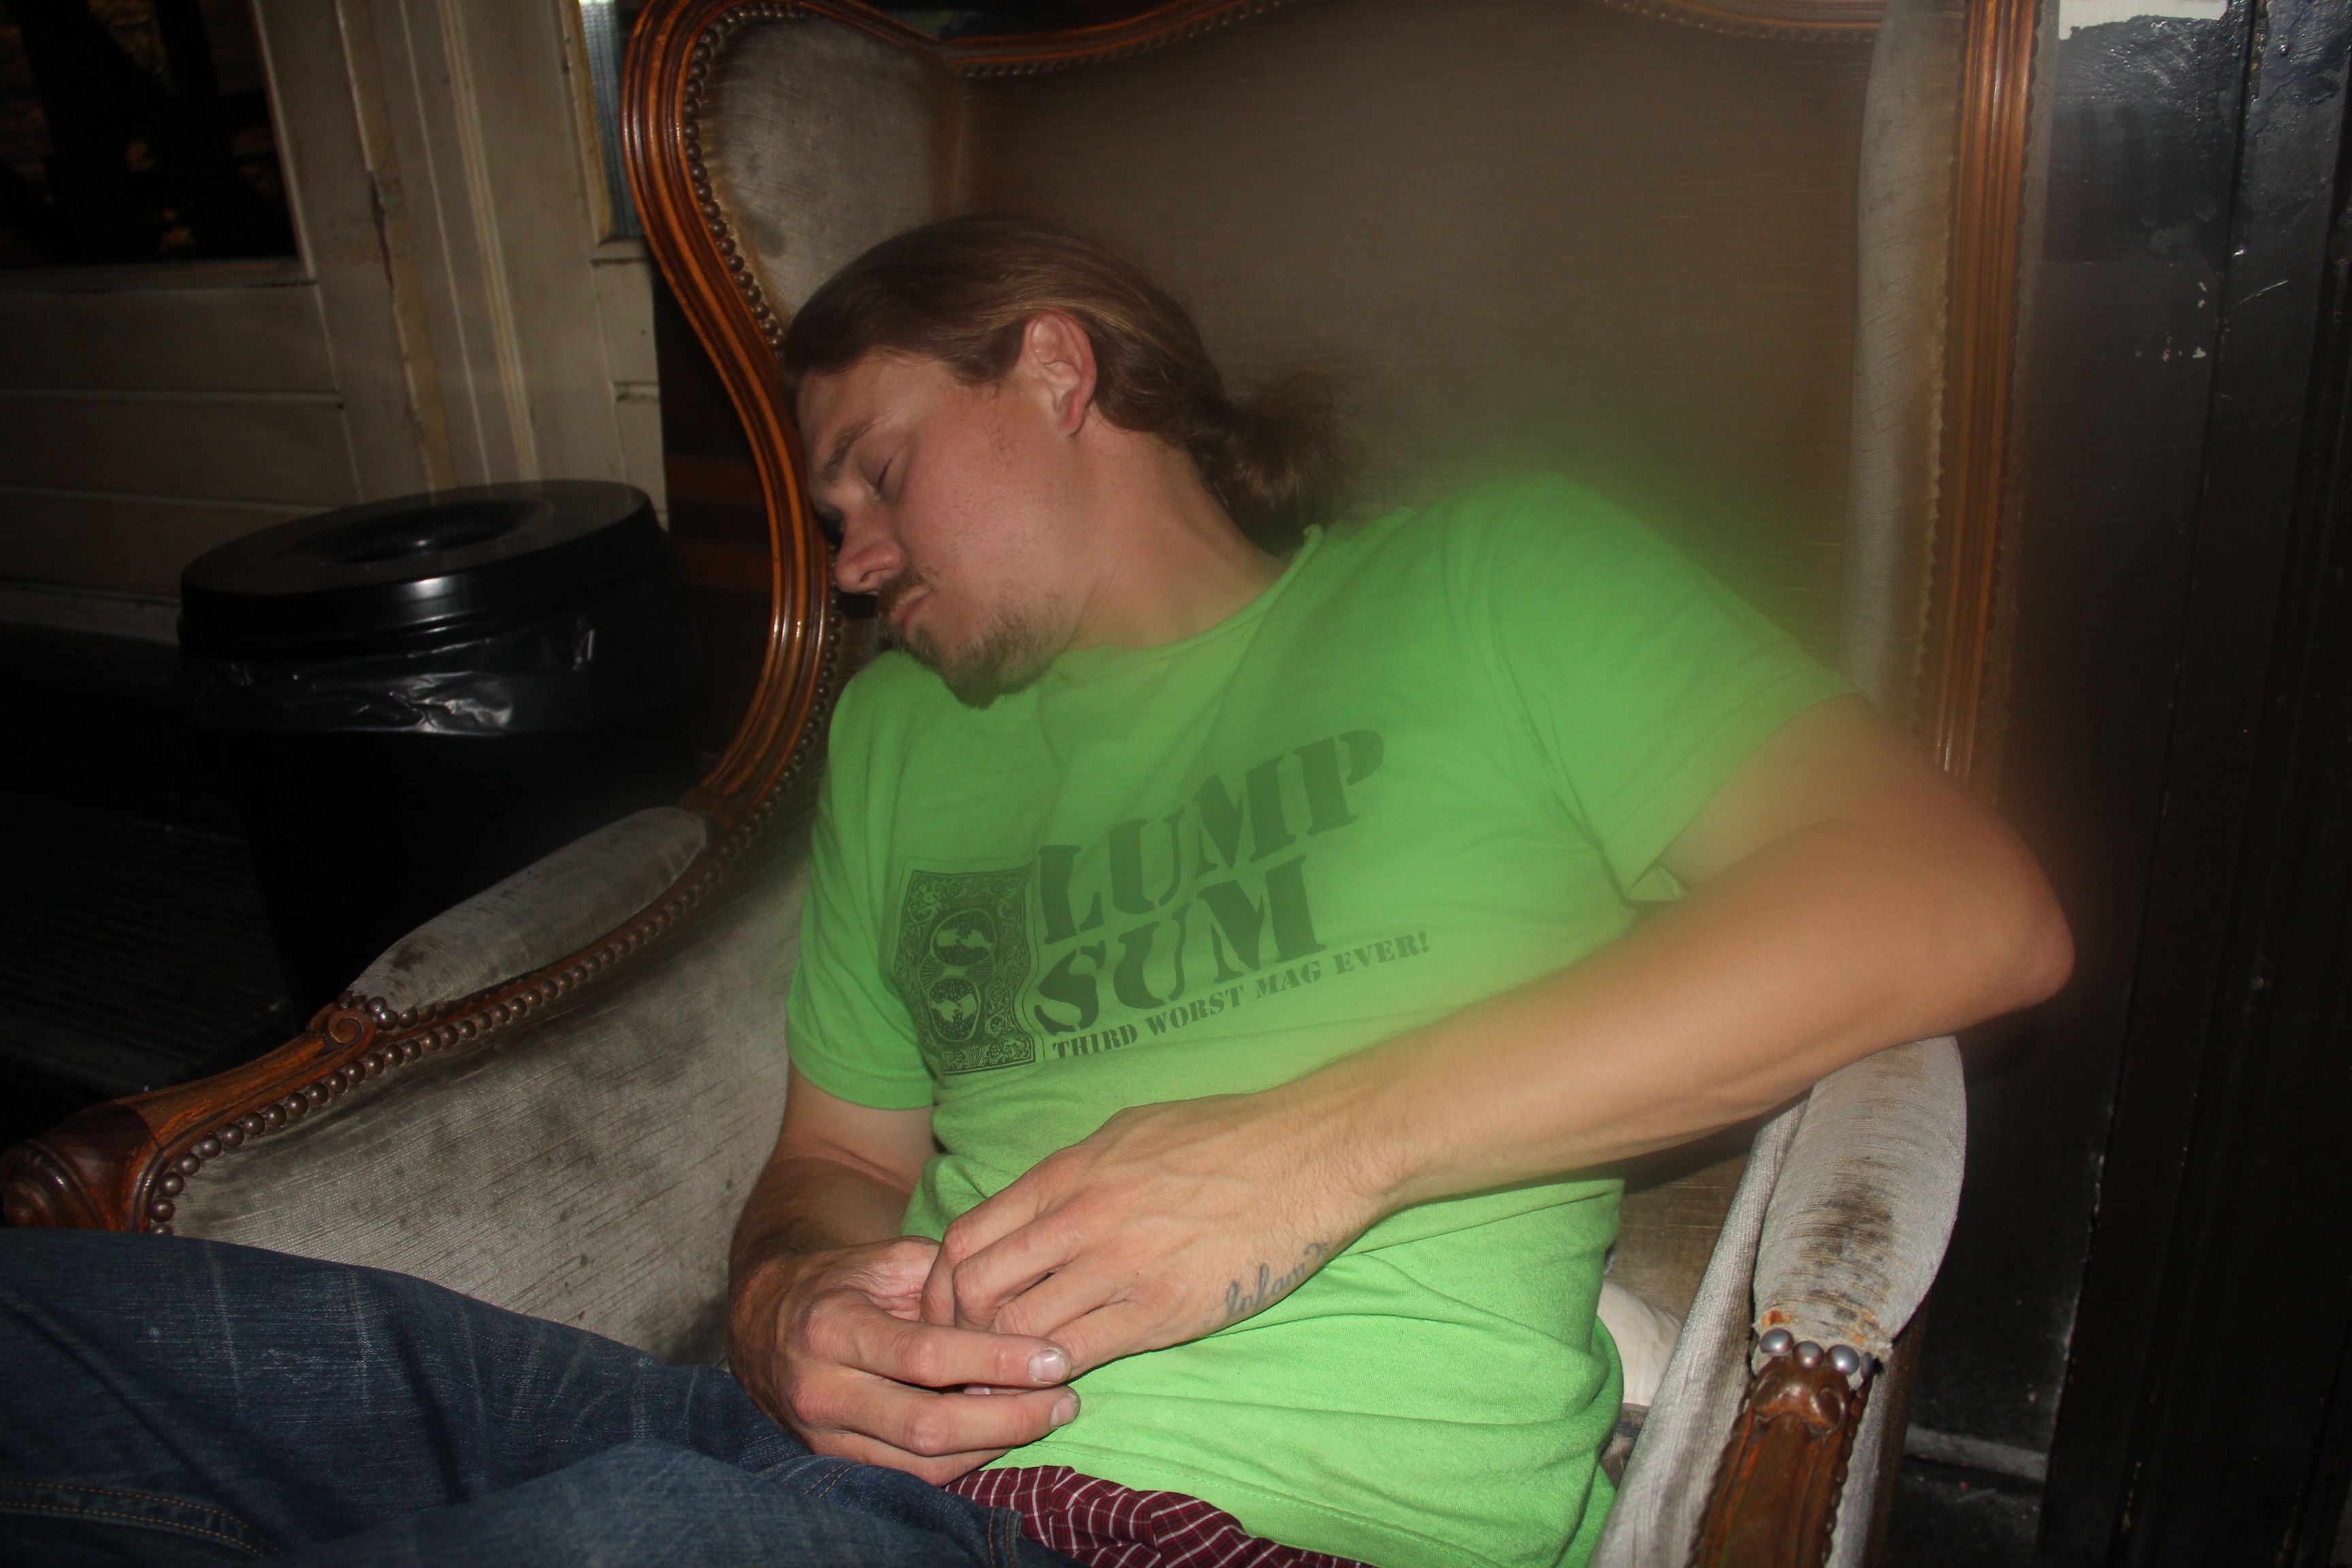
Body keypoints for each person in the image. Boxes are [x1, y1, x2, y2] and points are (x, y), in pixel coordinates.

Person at [0, 215, 2070, 1568]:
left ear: (1058, 372)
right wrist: (785, 1303)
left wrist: (1307, 1152)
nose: (851, 563)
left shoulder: (1496, 580)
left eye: (878, 472)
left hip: (1224, 1528)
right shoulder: (901, 740)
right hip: (788, 1459)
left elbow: (1955, 902)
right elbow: (835, 1162)